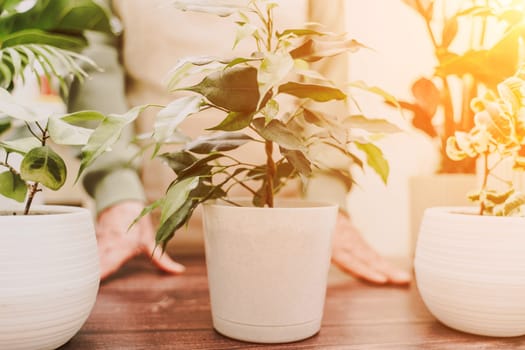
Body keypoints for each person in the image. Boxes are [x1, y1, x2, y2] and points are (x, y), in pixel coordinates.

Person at [69, 0, 411, 285]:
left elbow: (326, 81)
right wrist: (118, 200)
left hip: (285, 234)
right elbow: (93, 67)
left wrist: (326, 206)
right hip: (151, 238)